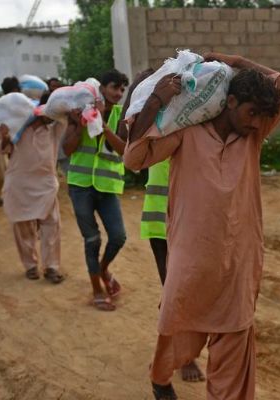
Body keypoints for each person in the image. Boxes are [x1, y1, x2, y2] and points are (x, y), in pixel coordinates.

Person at [124, 53, 280, 400]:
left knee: (235, 335)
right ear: (229, 101)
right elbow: (134, 158)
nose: (258, 123)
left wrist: (238, 61)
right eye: (251, 112)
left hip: (240, 261)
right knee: (179, 325)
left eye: (262, 115)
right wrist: (156, 100)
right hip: (192, 257)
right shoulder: (187, 133)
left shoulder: (253, 138)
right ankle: (160, 376)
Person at [118, 68, 206, 383]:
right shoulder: (152, 114)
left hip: (192, 218)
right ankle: (181, 359)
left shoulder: (194, 112)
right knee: (173, 292)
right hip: (160, 217)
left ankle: (182, 354)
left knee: (191, 293)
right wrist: (139, 93)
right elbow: (126, 136)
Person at [63, 69, 129, 311]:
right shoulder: (79, 112)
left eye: (122, 89)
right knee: (91, 239)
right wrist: (80, 125)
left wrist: (103, 126)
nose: (118, 93)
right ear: (101, 88)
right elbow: (67, 149)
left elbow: (124, 149)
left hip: (107, 187)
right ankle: (97, 290)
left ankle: (102, 270)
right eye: (114, 87)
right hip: (80, 185)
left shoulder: (123, 117)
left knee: (119, 236)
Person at [0, 104, 66, 284]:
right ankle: (30, 266)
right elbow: (4, 149)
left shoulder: (54, 129)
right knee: (23, 226)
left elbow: (65, 114)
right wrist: (5, 137)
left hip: (46, 185)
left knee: (52, 225)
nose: (52, 116)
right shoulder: (17, 128)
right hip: (20, 184)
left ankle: (51, 267)